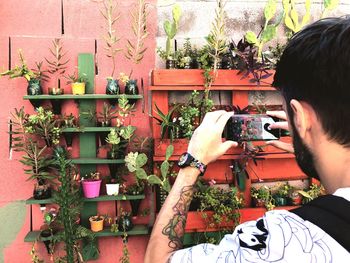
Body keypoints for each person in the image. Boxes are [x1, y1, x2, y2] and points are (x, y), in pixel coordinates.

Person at [145, 17, 350, 263]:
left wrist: (193, 164)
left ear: (300, 117)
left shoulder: (283, 243)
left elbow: (157, 259)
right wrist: (312, 143)